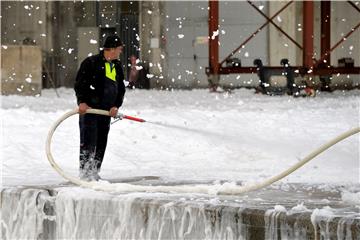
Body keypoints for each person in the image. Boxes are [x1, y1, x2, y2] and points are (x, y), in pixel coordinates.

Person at [74, 35, 126, 181]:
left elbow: (121, 88)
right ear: (112, 49)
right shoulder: (91, 63)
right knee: (88, 142)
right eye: (119, 49)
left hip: (106, 112)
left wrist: (116, 105)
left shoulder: (117, 65)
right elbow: (80, 84)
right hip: (90, 110)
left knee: (101, 143)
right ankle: (85, 174)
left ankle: (94, 172)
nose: (120, 52)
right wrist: (82, 101)